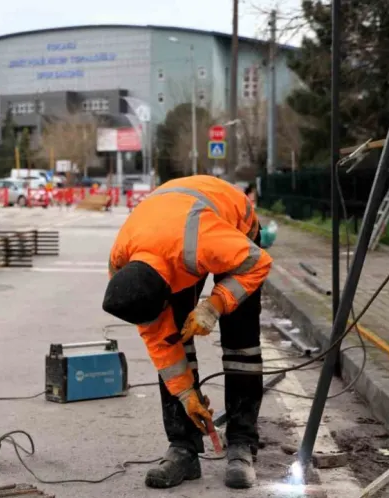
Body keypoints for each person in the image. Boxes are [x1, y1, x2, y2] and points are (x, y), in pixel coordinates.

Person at [102, 175, 273, 490]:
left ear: (166, 292)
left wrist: (214, 305)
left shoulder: (201, 242)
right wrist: (185, 393)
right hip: (168, 237)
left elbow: (258, 263)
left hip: (231, 230)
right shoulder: (124, 265)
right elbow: (159, 340)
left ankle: (241, 442)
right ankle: (183, 447)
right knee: (174, 338)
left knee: (241, 342)